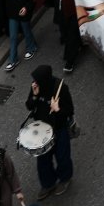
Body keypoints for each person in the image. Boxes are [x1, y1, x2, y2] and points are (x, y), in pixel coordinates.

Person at [26, 64, 75, 197]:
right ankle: (48, 184)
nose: (35, 82)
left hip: (59, 129)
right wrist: (35, 96)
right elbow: (29, 105)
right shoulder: (36, 86)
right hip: (41, 130)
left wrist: (58, 109)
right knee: (43, 160)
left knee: (62, 157)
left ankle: (65, 179)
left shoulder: (61, 88)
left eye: (37, 80)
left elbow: (70, 110)